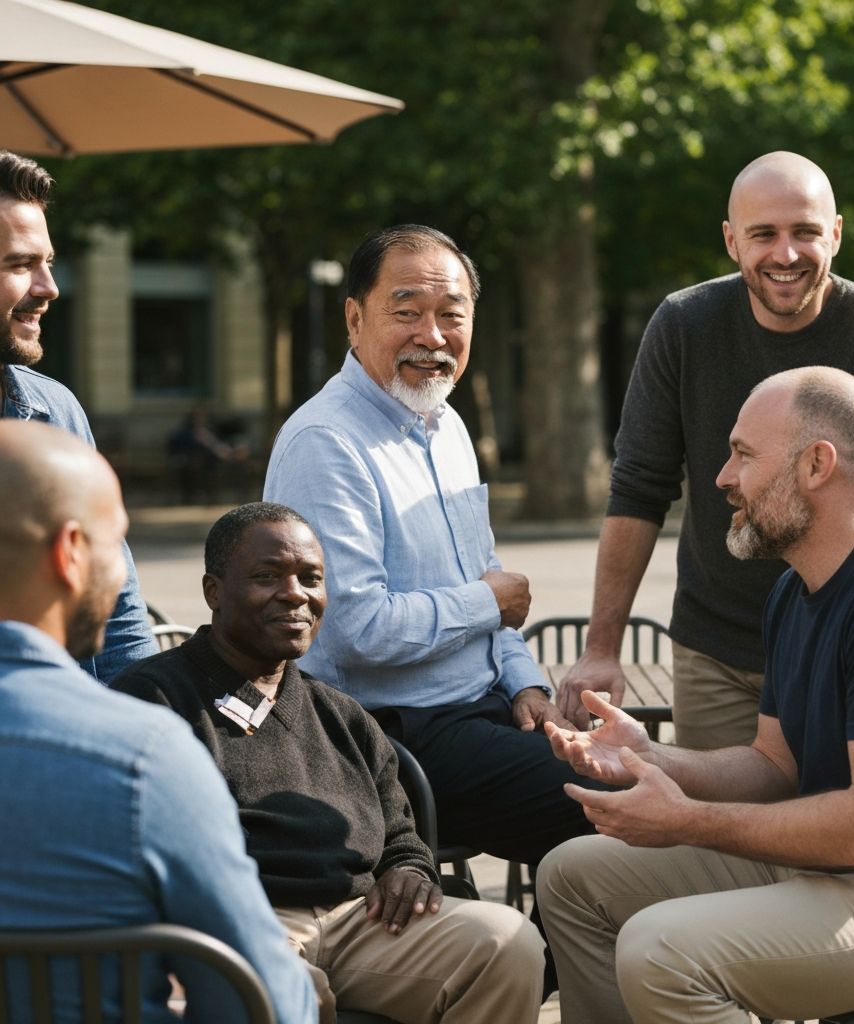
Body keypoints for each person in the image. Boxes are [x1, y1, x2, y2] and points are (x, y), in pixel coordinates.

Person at [537, 366, 854, 1024]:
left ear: (817, 465)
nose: (721, 479)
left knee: (661, 955)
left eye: (742, 455)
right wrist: (651, 758)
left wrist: (687, 820)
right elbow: (775, 767)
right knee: (571, 877)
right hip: (852, 871)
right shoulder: (798, 588)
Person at [557, 150, 854, 748]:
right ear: (731, 241)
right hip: (717, 653)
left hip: (844, 646)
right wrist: (601, 649)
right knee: (717, 827)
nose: (785, 254)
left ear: (836, 235)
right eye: (763, 234)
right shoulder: (684, 326)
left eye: (806, 233)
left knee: (828, 830)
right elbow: (639, 488)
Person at [112, 501, 545, 1022]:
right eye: (267, 576)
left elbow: (400, 831)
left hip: (360, 920)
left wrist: (407, 868)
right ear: (214, 592)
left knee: (506, 942)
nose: (295, 594)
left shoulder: (342, 714)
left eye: (310, 578)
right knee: (289, 991)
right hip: (236, 922)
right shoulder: (154, 699)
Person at [263, 224, 609, 868]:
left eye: (452, 314)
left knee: (637, 768)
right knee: (613, 798)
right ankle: (549, 969)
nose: (433, 335)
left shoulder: (445, 423)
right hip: (388, 736)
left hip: (480, 712)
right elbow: (357, 629)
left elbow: (487, 586)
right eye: (407, 312)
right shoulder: (325, 441)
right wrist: (485, 602)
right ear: (354, 317)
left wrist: (525, 685)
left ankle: (551, 961)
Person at [0, 421, 322, 1024]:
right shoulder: (144, 757)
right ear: (70, 554)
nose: (123, 576)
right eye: (117, 544)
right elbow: (263, 1002)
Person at [0, 149, 156, 683]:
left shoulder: (54, 409)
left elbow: (118, 608)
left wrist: (145, 722)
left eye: (47, 261)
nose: (49, 287)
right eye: (21, 265)